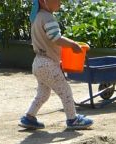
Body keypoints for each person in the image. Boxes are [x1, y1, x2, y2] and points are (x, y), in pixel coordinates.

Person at [19, 0, 93, 131]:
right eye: (57, 0)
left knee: (43, 93)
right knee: (65, 91)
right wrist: (73, 44)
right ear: (44, 2)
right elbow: (56, 38)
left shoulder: (37, 17)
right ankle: (73, 119)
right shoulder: (48, 18)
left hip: (38, 62)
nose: (60, 2)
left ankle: (29, 117)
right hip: (47, 63)